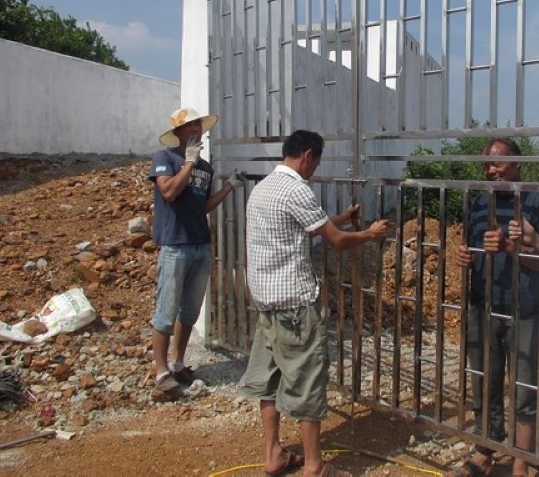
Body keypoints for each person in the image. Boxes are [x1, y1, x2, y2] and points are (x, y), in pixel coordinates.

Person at [238, 130, 388, 477]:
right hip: (295, 305)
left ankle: (273, 454)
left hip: (266, 303)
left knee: (269, 382)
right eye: (316, 163)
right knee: (307, 383)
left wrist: (340, 217)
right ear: (307, 155)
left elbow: (305, 228)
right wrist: (370, 234)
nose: (314, 171)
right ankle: (315, 466)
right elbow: (336, 243)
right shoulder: (297, 189)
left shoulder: (263, 188)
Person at [450, 138, 539, 477]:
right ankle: (485, 451)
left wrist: (509, 248)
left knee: (524, 387)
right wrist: (465, 256)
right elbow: (472, 246)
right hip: (483, 304)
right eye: (487, 164)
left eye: (498, 163)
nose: (490, 170)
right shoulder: (479, 203)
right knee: (484, 380)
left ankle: (521, 460)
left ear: (518, 164)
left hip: (524, 308)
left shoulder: (537, 201)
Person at [148, 107, 242, 395]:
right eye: (189, 126)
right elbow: (168, 192)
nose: (195, 131)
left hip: (201, 243)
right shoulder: (165, 158)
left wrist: (228, 187)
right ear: (177, 132)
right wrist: (188, 163)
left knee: (189, 310)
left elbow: (202, 207)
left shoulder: (206, 168)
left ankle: (178, 364)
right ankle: (161, 372)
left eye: (198, 126)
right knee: (166, 311)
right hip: (175, 244)